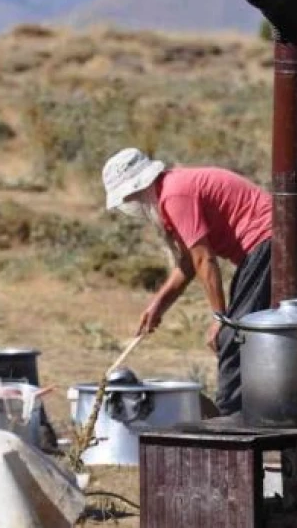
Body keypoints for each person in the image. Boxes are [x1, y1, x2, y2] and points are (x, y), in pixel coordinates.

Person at [101, 147, 273, 416]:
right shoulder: (172, 191)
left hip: (266, 241)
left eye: (130, 197)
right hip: (264, 246)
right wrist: (159, 304)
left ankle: (232, 420)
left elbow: (204, 260)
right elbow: (188, 263)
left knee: (233, 336)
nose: (132, 206)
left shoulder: (174, 195)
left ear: (139, 188)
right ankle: (258, 408)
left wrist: (220, 317)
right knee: (255, 335)